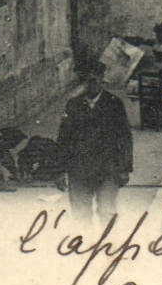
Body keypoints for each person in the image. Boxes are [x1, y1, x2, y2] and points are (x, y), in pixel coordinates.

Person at [57, 58, 133, 225]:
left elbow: (124, 138)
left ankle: (107, 241)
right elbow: (63, 139)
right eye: (87, 80)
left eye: (95, 80)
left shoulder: (114, 104)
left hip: (107, 169)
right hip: (79, 170)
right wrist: (60, 170)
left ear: (101, 79)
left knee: (107, 212)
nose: (92, 85)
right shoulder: (73, 105)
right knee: (80, 215)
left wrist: (125, 168)